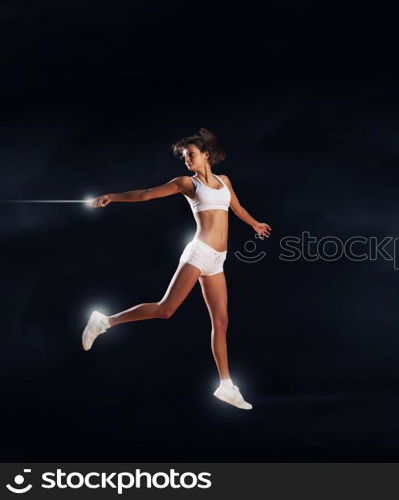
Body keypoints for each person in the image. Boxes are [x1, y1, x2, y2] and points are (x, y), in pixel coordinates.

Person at [81, 127, 271, 410]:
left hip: (218, 260)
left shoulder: (224, 180)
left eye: (190, 154)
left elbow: (236, 207)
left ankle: (226, 386)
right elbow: (146, 195)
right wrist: (113, 196)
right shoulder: (187, 183)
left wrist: (254, 223)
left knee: (221, 321)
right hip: (199, 252)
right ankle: (105, 322)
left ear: (206, 155)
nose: (187, 160)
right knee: (165, 309)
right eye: (184, 157)